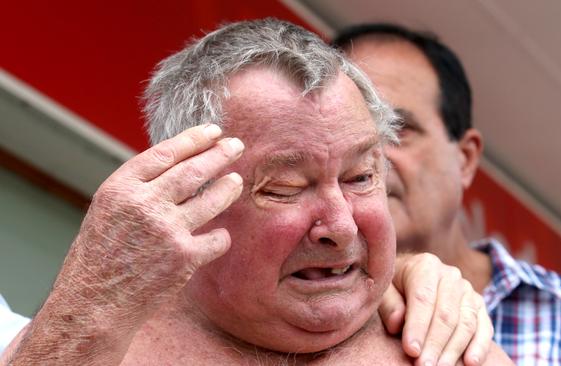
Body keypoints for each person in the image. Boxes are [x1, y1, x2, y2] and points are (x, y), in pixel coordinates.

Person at [0, 19, 513, 365]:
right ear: (187, 193)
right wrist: (86, 310)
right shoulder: (89, 347)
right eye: (286, 187)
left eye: (361, 177)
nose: (340, 225)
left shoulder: (445, 336)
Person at [333, 23, 561, 365]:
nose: (373, 157)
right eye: (351, 132)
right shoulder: (296, 315)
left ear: (466, 159)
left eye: (399, 128)